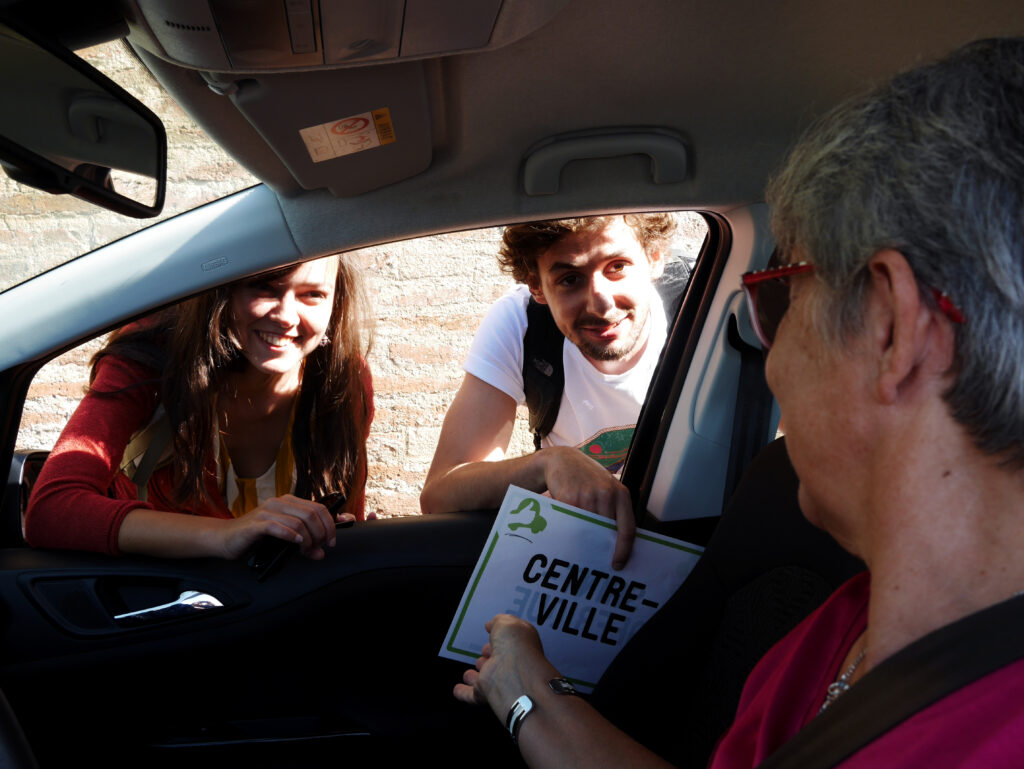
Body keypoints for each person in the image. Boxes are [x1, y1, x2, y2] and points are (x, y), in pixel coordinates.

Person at [453, 37, 1024, 767]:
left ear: (889, 327)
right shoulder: (830, 628)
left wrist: (529, 697)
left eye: (782, 298)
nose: (772, 363)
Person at [25, 255, 373, 560]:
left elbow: (346, 509)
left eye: (312, 294)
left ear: (335, 304)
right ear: (224, 291)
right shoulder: (153, 356)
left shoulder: (343, 378)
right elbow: (51, 511)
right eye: (263, 287)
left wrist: (346, 537)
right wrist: (227, 534)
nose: (285, 316)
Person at [421, 214, 678, 569]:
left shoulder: (709, 303)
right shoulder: (522, 323)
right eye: (570, 279)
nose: (601, 304)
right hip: (577, 556)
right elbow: (440, 496)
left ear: (654, 258)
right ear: (537, 288)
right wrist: (550, 462)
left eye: (617, 266)